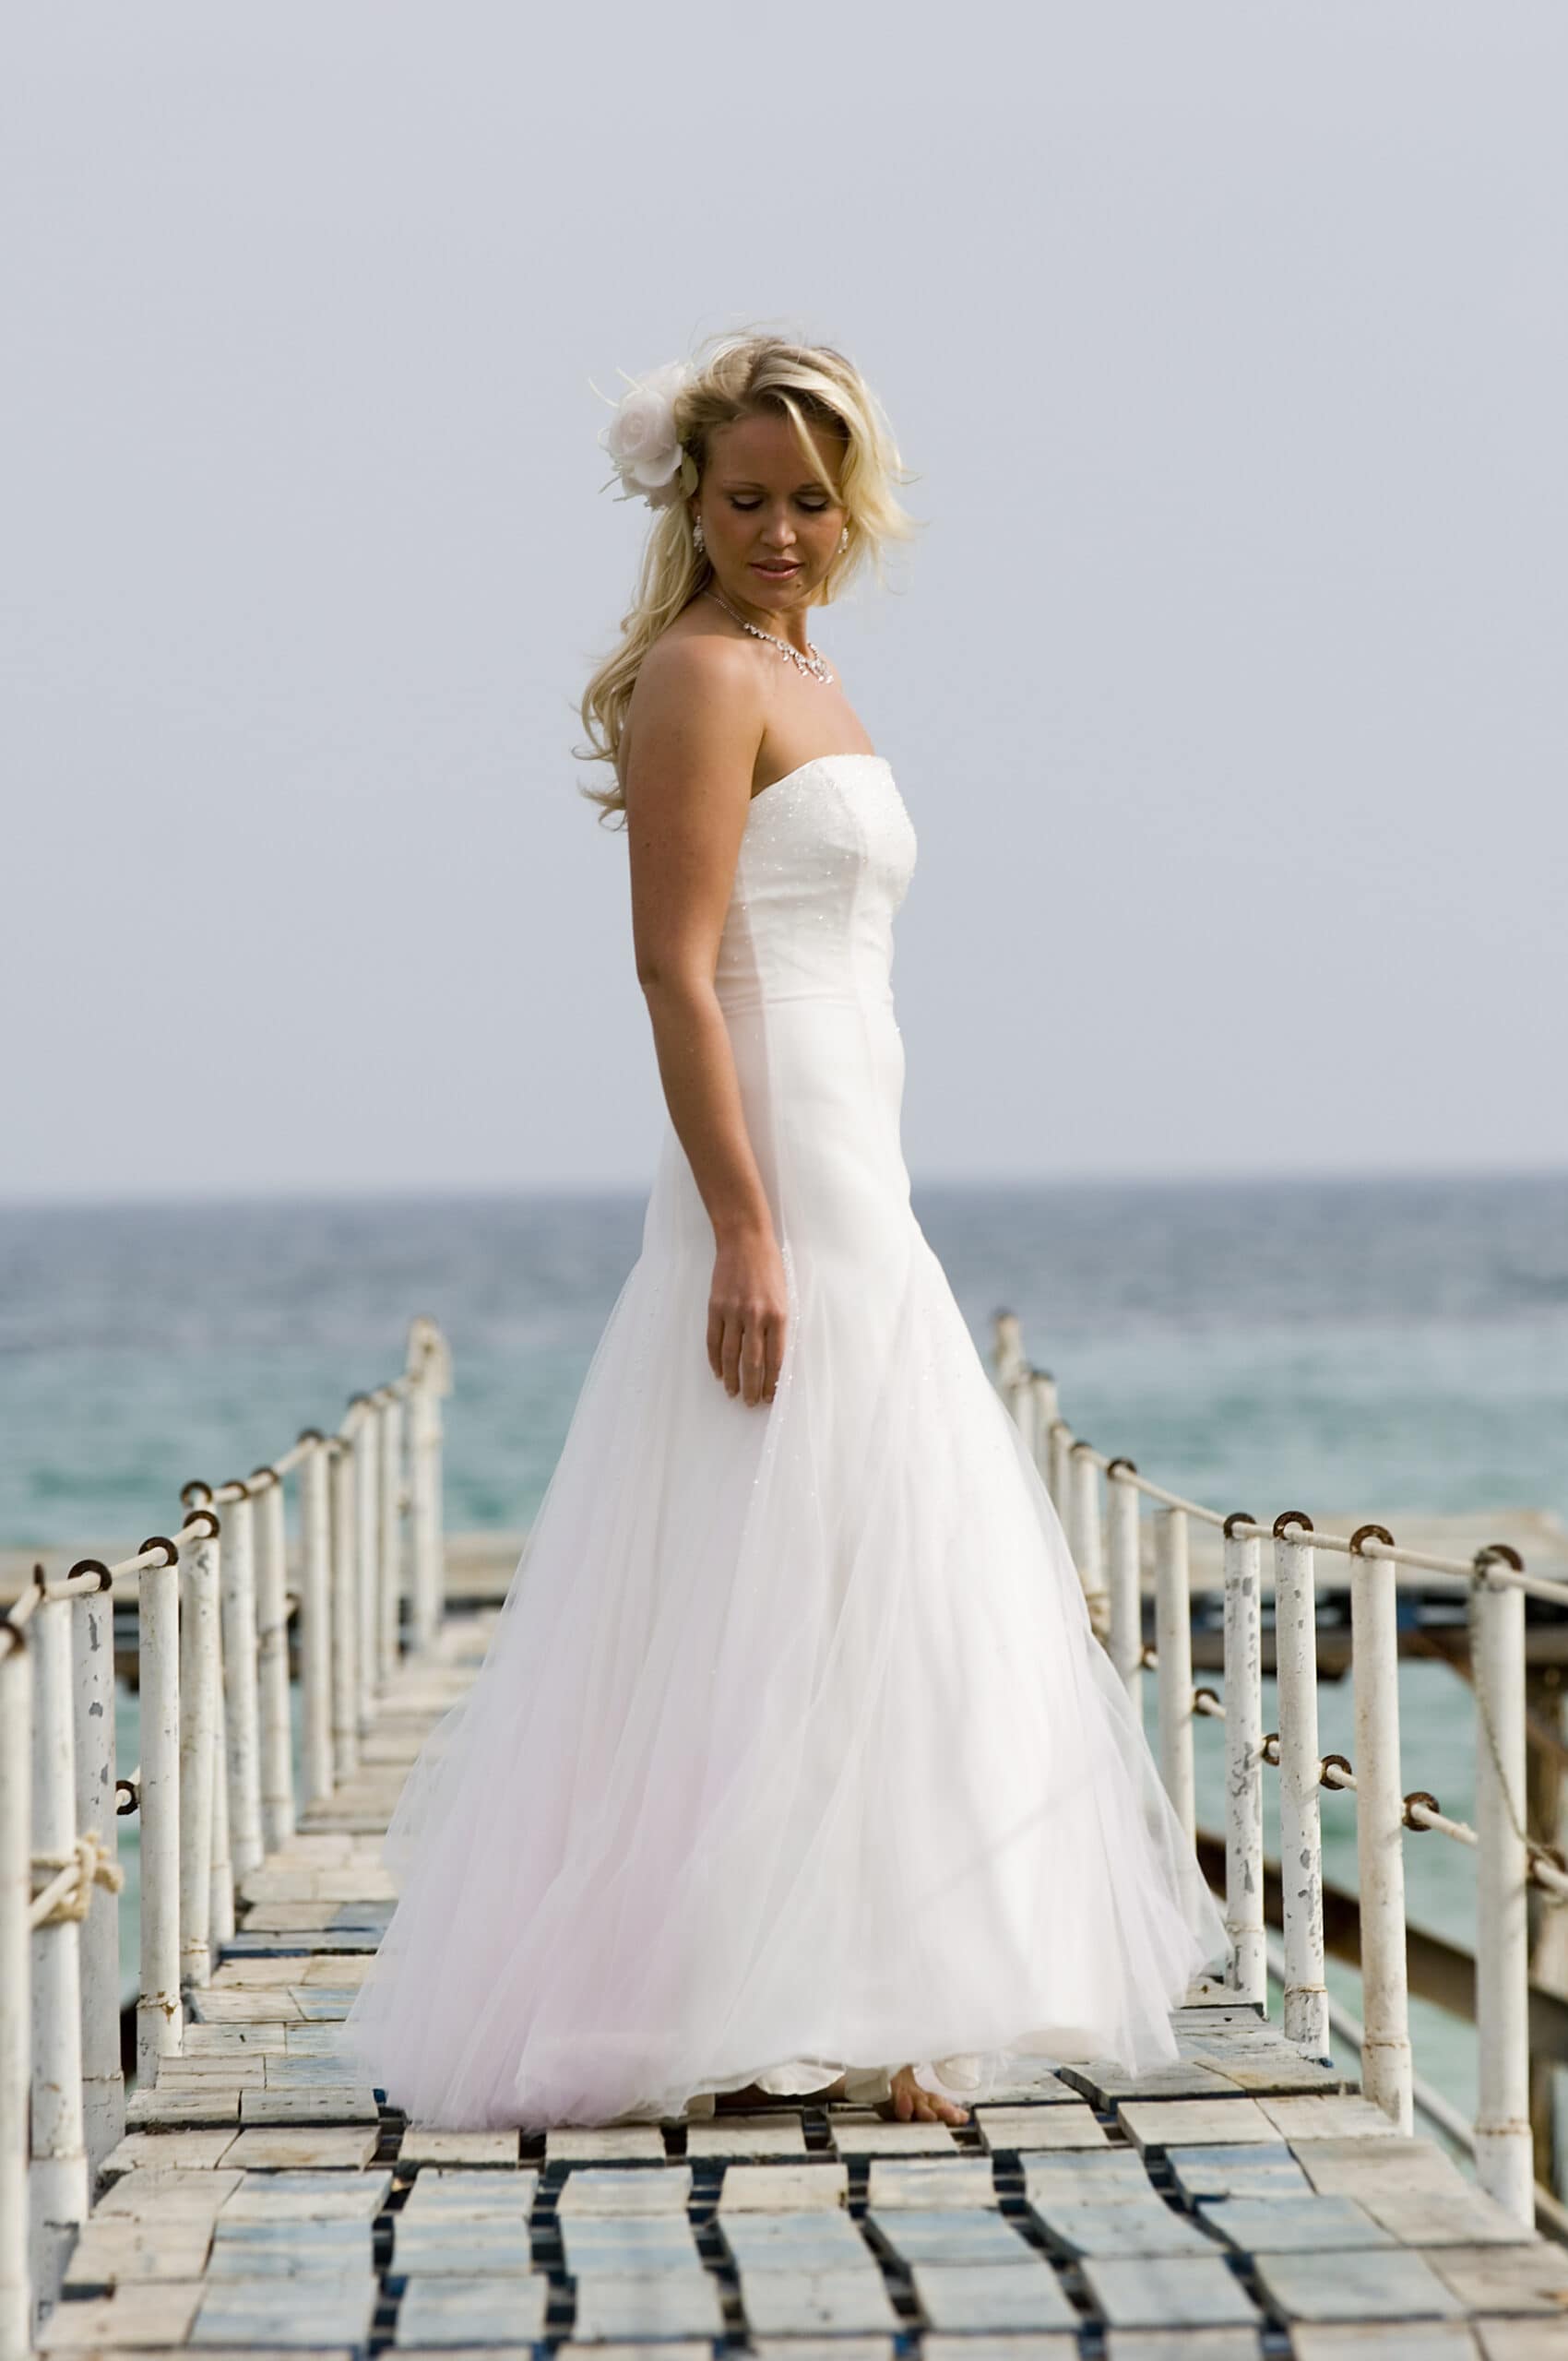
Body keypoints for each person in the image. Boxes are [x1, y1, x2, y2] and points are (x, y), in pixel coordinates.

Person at [341, 328, 1227, 2131]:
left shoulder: (802, 669)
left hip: (859, 1141)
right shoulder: (694, 675)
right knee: (790, 1539)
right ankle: (755, 1983)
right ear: (690, 500)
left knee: (872, 1552)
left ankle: (880, 1981)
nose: (779, 529)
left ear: (852, 508)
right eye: (744, 498)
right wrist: (744, 1226)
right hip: (775, 1153)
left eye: (808, 500)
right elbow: (672, 970)